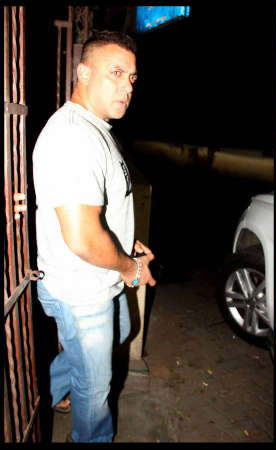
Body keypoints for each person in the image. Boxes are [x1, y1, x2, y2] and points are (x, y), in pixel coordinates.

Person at [32, 30, 156, 443]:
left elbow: (99, 210)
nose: (127, 87)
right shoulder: (73, 137)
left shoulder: (95, 127)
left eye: (132, 78)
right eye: (116, 73)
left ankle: (45, 392)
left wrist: (124, 244)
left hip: (99, 279)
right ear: (83, 73)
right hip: (81, 289)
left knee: (119, 332)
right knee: (95, 391)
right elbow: (84, 237)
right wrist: (129, 267)